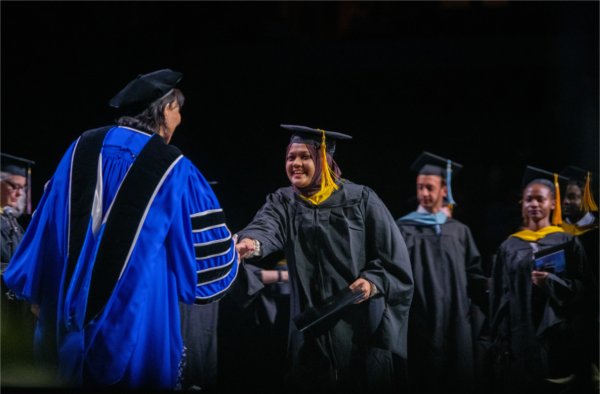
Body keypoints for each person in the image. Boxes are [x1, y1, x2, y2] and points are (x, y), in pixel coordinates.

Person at [2, 69, 239, 389]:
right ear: (167, 108)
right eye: (178, 110)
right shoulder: (174, 166)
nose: (179, 119)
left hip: (66, 302)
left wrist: (38, 289)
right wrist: (233, 252)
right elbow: (207, 258)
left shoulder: (79, 148)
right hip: (143, 308)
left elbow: (46, 223)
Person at [234, 124, 413, 393]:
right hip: (309, 330)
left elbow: (394, 262)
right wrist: (251, 243)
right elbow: (266, 226)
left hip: (357, 327)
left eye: (305, 157)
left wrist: (372, 282)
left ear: (325, 161)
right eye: (290, 157)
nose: (295, 163)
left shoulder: (361, 199)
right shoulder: (284, 202)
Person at [489, 166, 590, 394]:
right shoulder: (509, 246)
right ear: (522, 205)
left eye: (540, 199)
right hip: (519, 338)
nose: (534, 204)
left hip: (558, 337)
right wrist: (500, 343)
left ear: (552, 203)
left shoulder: (567, 241)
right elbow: (499, 298)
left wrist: (551, 283)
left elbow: (586, 290)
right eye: (528, 200)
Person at [395, 151, 489, 394]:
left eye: (430, 187)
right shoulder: (403, 228)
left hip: (456, 320)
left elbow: (473, 274)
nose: (424, 193)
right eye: (420, 187)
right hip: (419, 319)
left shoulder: (459, 231)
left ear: (444, 191)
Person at [559, 165, 599, 393]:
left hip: (593, 310)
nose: (566, 201)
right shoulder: (557, 229)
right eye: (564, 196)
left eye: (573, 197)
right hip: (568, 307)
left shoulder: (595, 230)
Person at [0, 153, 39, 384]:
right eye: (13, 185)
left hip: (16, 308)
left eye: (22, 187)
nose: (19, 193)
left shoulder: (14, 224)